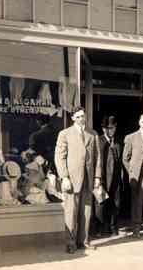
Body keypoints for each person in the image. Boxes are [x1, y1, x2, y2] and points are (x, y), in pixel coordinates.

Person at [55, 107, 102, 254]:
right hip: (72, 180)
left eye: (83, 116)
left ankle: (84, 241)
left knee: (86, 212)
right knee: (71, 212)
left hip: (88, 179)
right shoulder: (65, 134)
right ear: (73, 118)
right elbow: (59, 157)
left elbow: (98, 158)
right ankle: (70, 243)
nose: (82, 119)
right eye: (78, 116)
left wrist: (97, 177)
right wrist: (64, 177)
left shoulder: (92, 134)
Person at [98, 115, 122, 236]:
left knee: (116, 204)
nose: (110, 130)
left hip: (116, 179)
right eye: (107, 128)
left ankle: (114, 228)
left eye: (112, 128)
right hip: (103, 178)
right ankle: (103, 229)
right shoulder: (99, 141)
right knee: (102, 204)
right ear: (103, 129)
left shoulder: (118, 142)